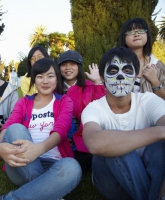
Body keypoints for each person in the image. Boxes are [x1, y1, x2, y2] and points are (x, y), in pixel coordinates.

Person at [82, 47, 165, 199]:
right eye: (113, 72)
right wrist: (160, 132)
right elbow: (93, 143)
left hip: (148, 169)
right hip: (111, 179)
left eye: (127, 71)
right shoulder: (93, 108)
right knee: (109, 143)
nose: (120, 76)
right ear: (102, 77)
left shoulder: (148, 100)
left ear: (135, 76)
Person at [0, 58, 82, 200]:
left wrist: (39, 149)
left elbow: (62, 129)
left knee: (72, 167)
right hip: (22, 164)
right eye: (40, 76)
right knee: (16, 128)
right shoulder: (23, 102)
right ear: (34, 80)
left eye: (50, 76)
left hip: (55, 165)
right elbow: (10, 124)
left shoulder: (64, 101)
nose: (45, 81)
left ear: (57, 78)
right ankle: (48, 190)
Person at [57, 50, 106, 171]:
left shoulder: (89, 86)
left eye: (72, 64)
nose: (68, 68)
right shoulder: (54, 89)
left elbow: (101, 107)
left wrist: (98, 83)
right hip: (61, 137)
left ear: (79, 66)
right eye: (64, 64)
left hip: (84, 136)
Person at [118, 17, 165, 100]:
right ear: (124, 38)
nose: (136, 34)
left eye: (141, 30)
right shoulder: (115, 65)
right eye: (131, 31)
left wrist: (155, 82)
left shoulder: (157, 65)